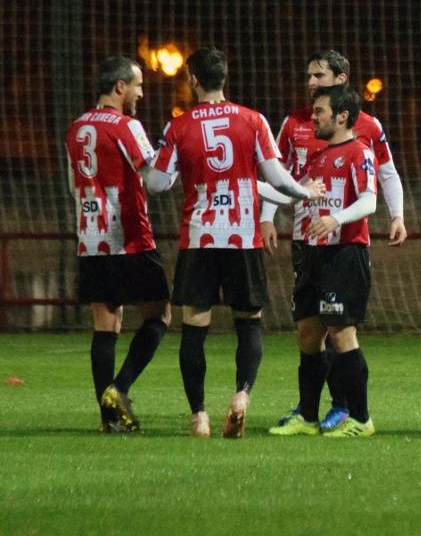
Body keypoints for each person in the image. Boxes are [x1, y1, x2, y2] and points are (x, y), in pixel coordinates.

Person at [146, 48, 323, 438]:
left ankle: (200, 417)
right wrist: (304, 192)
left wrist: (173, 170)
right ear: (224, 77)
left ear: (192, 78)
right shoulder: (252, 119)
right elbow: (277, 178)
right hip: (242, 236)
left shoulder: (179, 126)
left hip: (199, 238)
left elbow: (155, 184)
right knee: (249, 323)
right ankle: (242, 396)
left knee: (195, 326)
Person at [262, 49, 405, 433]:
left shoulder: (360, 148)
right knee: (308, 333)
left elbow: (371, 197)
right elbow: (291, 188)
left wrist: (345, 217)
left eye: (320, 112)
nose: (313, 116)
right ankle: (307, 416)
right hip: (311, 250)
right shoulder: (319, 153)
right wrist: (253, 199)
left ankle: (357, 415)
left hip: (344, 252)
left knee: (341, 332)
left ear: (341, 112)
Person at [65, 56, 171, 433]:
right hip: (129, 236)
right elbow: (155, 178)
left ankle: (108, 420)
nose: (141, 91)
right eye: (138, 84)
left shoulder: (75, 128)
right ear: (120, 87)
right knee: (159, 315)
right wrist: (169, 159)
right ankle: (119, 389)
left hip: (90, 237)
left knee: (106, 323)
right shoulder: (127, 126)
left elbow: (72, 184)